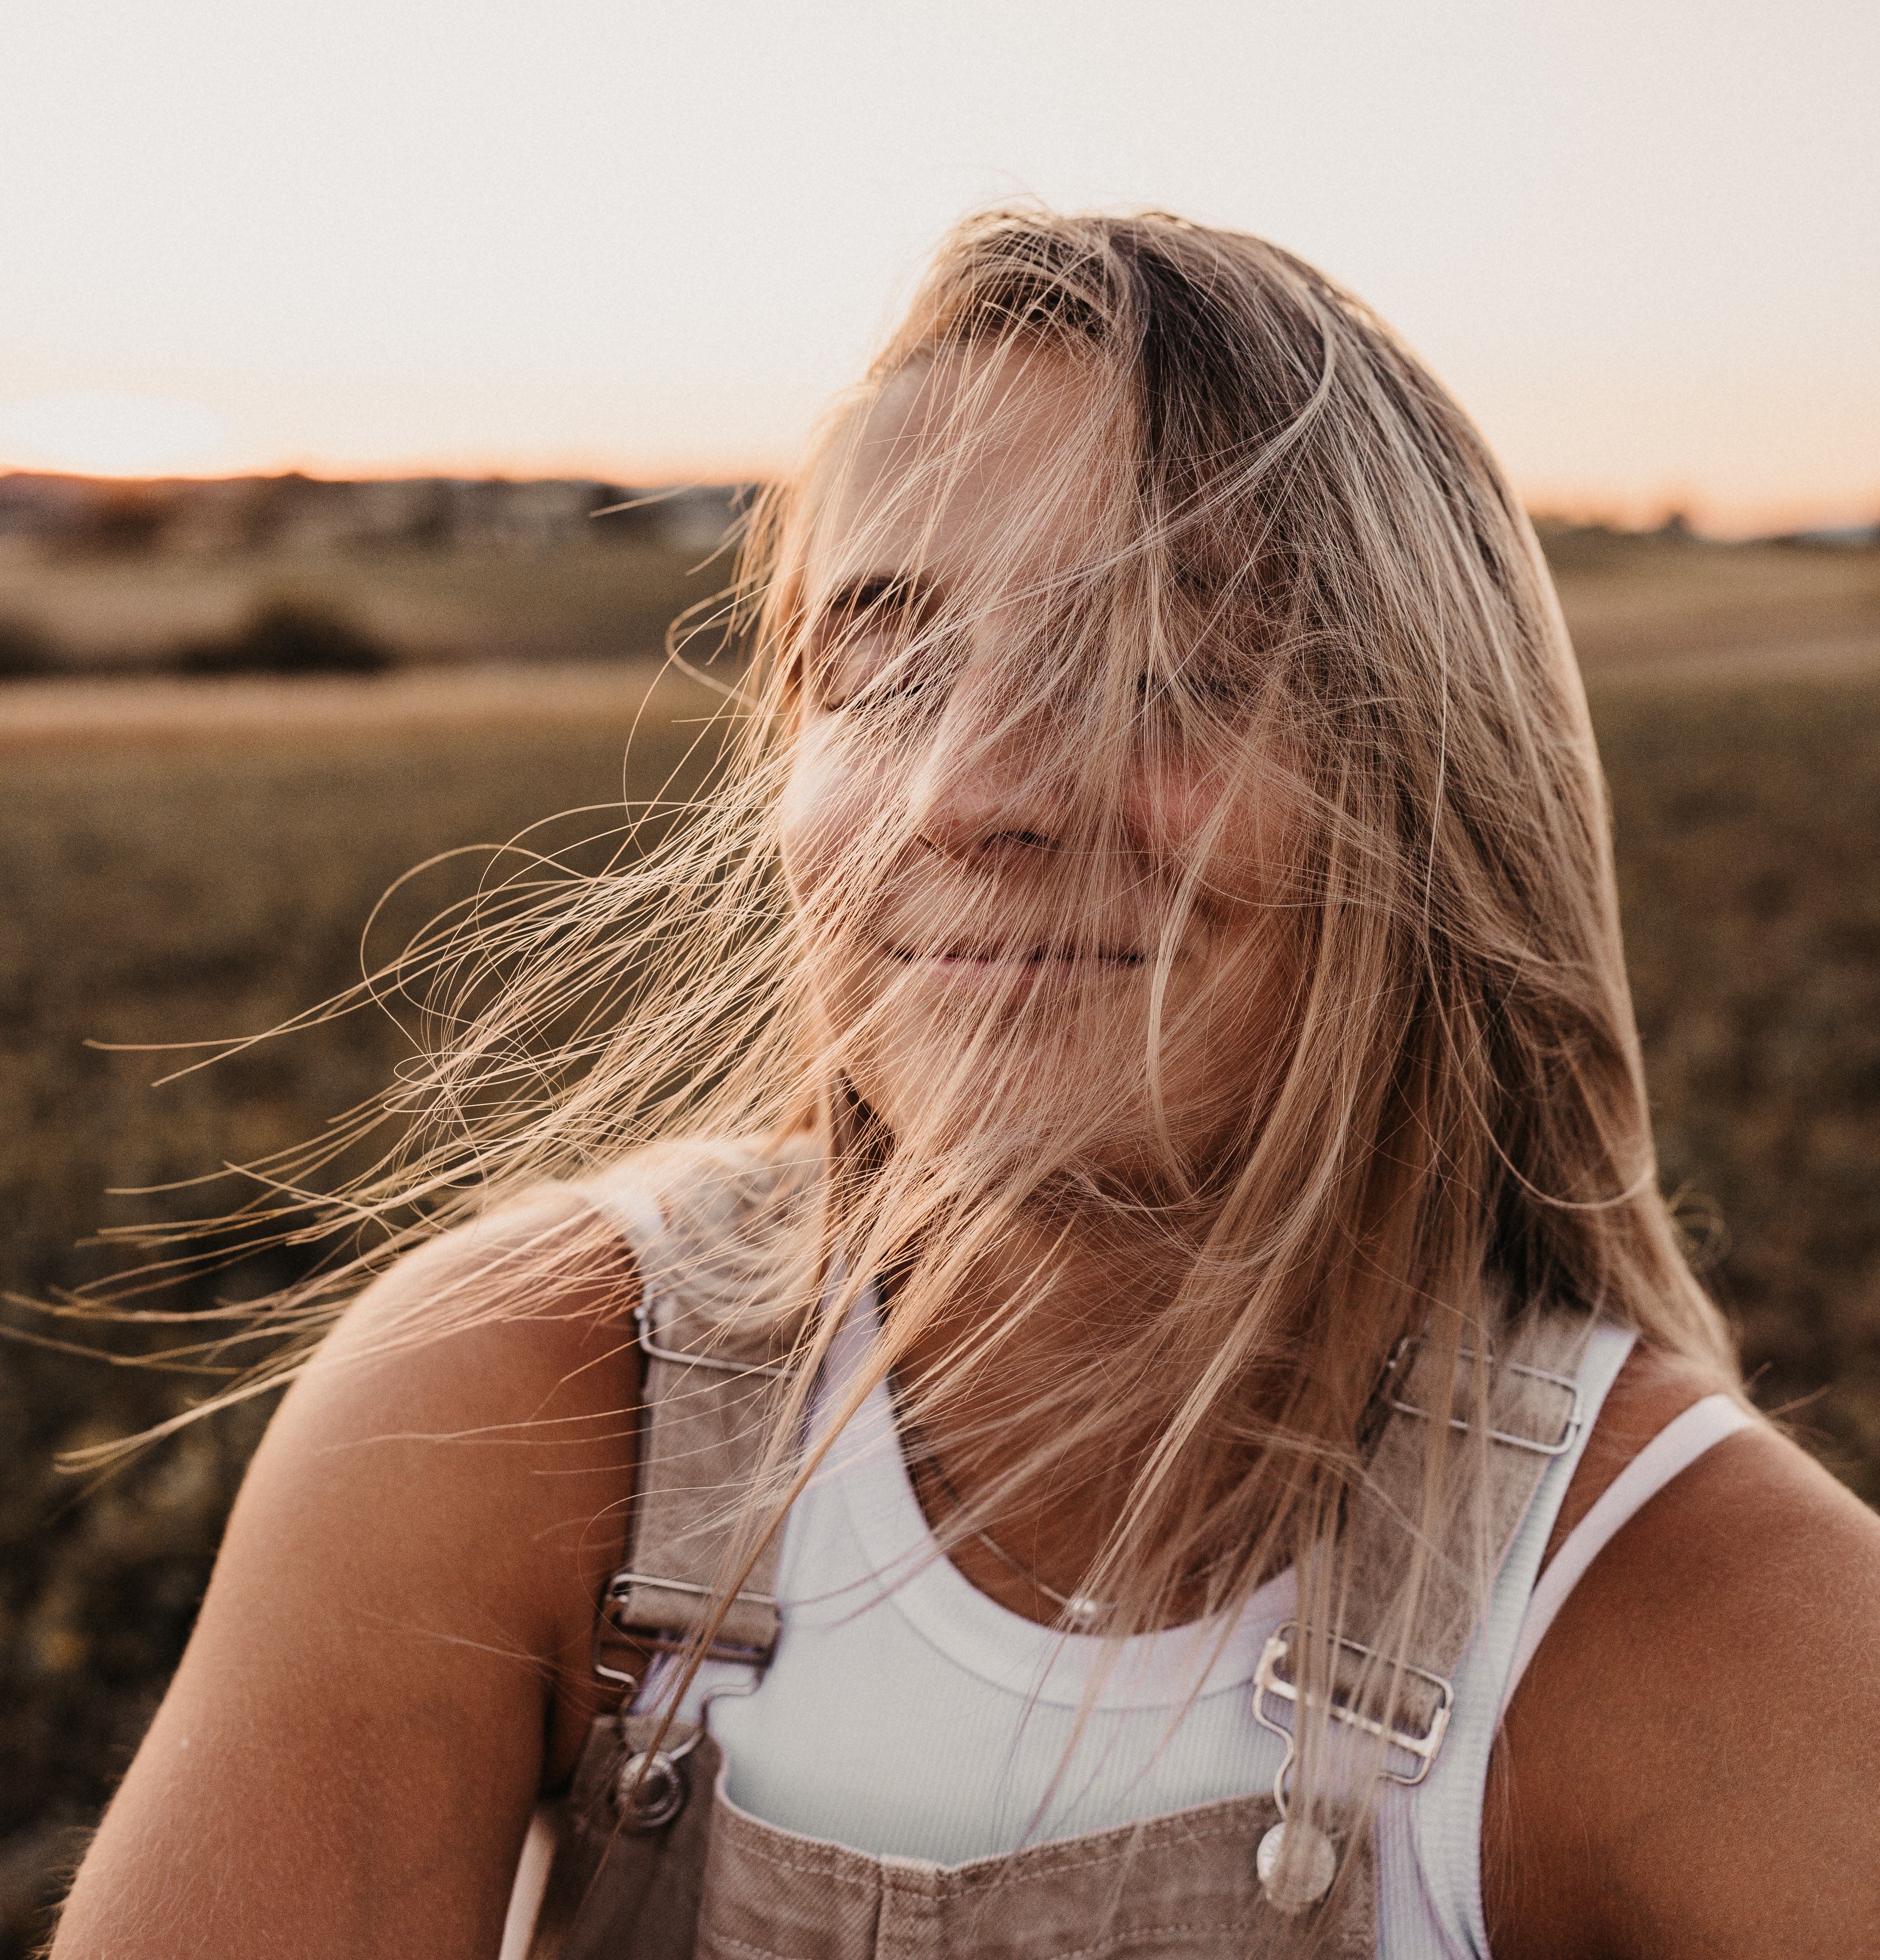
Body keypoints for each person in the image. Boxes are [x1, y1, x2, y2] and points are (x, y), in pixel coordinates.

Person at [52, 210, 1880, 1960]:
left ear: (1443, 795)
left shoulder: (1676, 1604)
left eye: (1174, 661)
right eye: (888, 656)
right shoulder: (526, 1406)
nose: (969, 792)